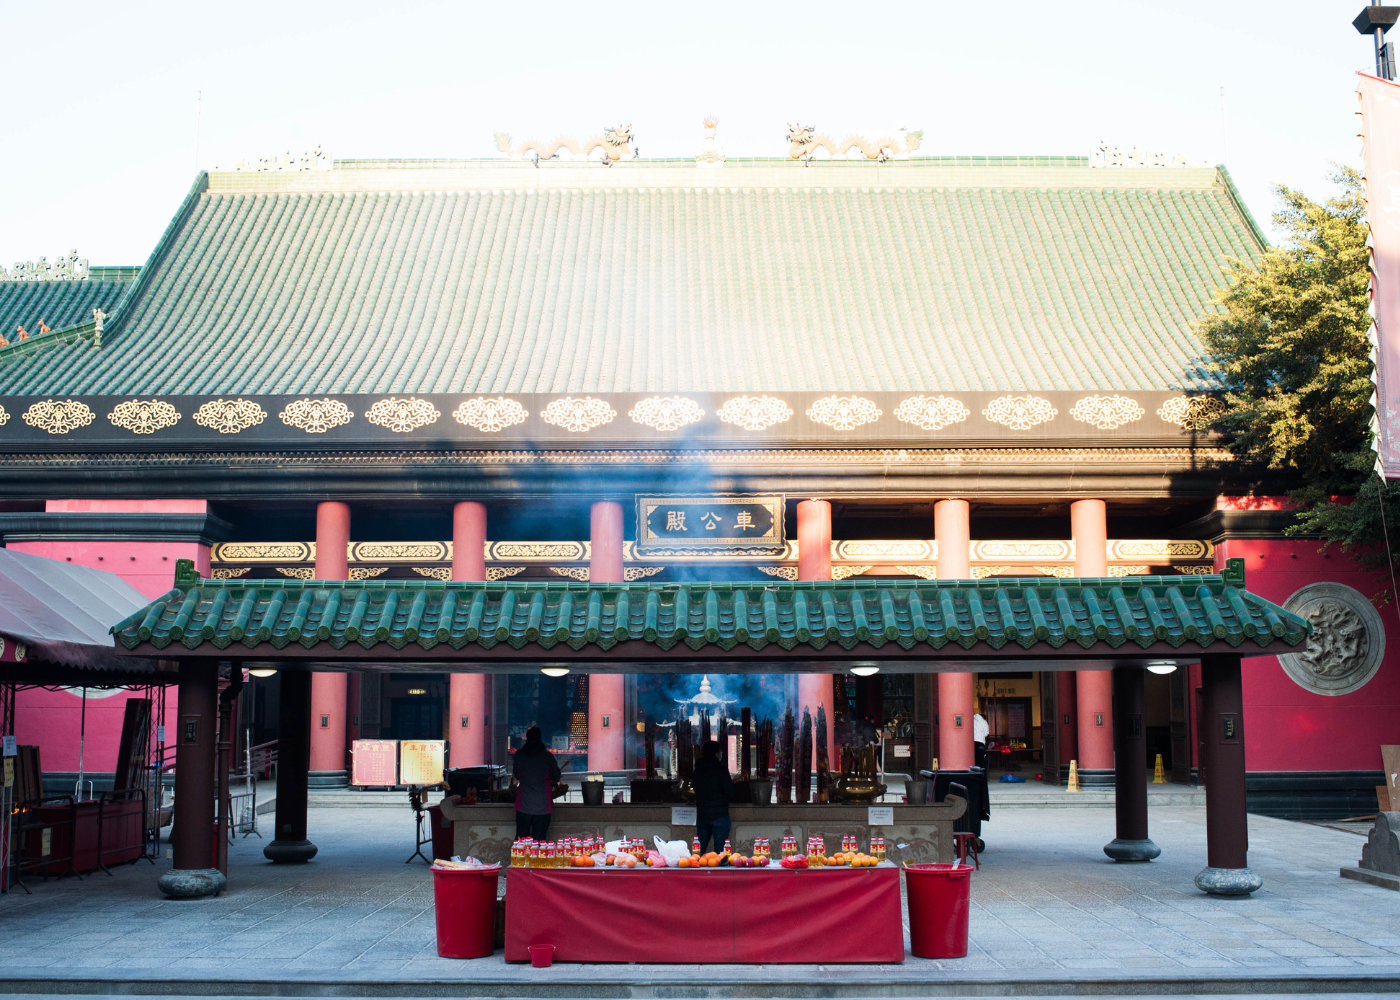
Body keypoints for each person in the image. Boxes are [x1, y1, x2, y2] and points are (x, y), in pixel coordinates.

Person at [513, 726, 562, 840]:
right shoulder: (548, 757)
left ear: (527, 739)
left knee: (521, 840)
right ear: (541, 739)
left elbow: (516, 774)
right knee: (539, 842)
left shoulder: (519, 755)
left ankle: (519, 858)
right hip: (542, 805)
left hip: (523, 804)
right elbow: (556, 777)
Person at [691, 739, 734, 853]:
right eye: (720, 752)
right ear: (716, 754)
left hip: (702, 815)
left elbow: (695, 788)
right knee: (720, 851)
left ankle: (696, 868)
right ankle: (720, 869)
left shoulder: (697, 771)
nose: (721, 755)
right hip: (720, 815)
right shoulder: (721, 770)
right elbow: (730, 791)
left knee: (699, 851)